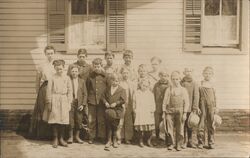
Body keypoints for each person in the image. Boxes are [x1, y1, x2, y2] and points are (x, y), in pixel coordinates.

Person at [29, 45, 56, 139]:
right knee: (42, 109)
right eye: (48, 53)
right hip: (44, 88)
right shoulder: (41, 65)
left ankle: (52, 134)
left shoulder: (57, 64)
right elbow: (38, 80)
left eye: (52, 53)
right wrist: (38, 91)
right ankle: (42, 134)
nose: (50, 55)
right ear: (45, 54)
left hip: (54, 88)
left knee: (52, 109)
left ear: (54, 53)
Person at [46, 59, 73, 148]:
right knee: (55, 118)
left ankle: (61, 138)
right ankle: (55, 138)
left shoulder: (67, 78)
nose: (59, 71)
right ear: (55, 69)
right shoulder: (52, 77)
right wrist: (49, 102)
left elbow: (70, 91)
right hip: (55, 99)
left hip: (64, 99)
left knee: (63, 119)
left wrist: (69, 102)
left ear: (64, 68)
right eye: (57, 69)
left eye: (61, 69)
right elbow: (49, 91)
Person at [162, 71, 189, 151]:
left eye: (177, 79)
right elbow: (164, 102)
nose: (175, 81)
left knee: (180, 128)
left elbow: (187, 102)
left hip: (180, 111)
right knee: (169, 128)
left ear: (179, 79)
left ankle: (178, 144)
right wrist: (164, 112)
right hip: (169, 111)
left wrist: (184, 113)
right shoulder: (168, 89)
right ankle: (171, 144)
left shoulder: (183, 90)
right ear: (171, 79)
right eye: (173, 79)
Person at [102, 74, 126, 151]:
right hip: (109, 109)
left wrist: (116, 103)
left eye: (116, 81)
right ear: (111, 81)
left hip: (117, 110)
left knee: (115, 125)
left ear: (119, 81)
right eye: (113, 80)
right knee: (109, 125)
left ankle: (114, 140)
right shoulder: (107, 88)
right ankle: (109, 140)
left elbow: (123, 100)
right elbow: (102, 96)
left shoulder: (122, 89)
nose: (115, 82)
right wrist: (105, 102)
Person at [86, 58, 108, 144]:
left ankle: (101, 136)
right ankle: (91, 136)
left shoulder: (105, 76)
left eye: (98, 66)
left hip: (102, 102)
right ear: (93, 66)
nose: (97, 68)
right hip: (92, 101)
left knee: (101, 120)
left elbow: (107, 89)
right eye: (95, 66)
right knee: (91, 120)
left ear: (101, 66)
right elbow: (87, 88)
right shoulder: (90, 76)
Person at [197, 66, 218, 149]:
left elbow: (216, 97)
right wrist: (197, 107)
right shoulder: (200, 83)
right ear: (203, 74)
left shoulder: (213, 84)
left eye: (209, 73)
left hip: (211, 106)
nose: (207, 75)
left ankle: (211, 142)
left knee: (211, 123)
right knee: (201, 124)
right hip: (202, 105)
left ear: (212, 74)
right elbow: (197, 96)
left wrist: (216, 107)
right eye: (206, 73)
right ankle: (200, 142)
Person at [67, 65, 88, 144]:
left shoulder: (82, 81)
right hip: (71, 102)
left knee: (79, 119)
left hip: (79, 103)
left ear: (78, 72)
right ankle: (70, 137)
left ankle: (77, 136)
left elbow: (85, 94)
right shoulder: (68, 80)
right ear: (70, 72)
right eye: (73, 71)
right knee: (70, 119)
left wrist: (83, 104)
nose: (74, 73)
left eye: (76, 71)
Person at [180, 68, 200, 148]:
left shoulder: (194, 83)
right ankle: (184, 141)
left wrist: (194, 108)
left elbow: (196, 96)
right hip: (182, 107)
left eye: (190, 71)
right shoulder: (181, 83)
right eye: (187, 71)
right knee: (183, 125)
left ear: (192, 72)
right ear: (184, 72)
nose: (188, 73)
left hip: (190, 107)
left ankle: (190, 141)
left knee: (190, 125)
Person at [134, 79, 155, 147]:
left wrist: (152, 110)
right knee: (140, 128)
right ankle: (141, 141)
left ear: (148, 86)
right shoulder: (137, 93)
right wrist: (134, 109)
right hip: (140, 111)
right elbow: (134, 102)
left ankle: (148, 140)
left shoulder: (150, 94)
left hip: (148, 112)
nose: (145, 87)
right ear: (140, 85)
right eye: (143, 85)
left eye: (146, 86)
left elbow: (153, 103)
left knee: (149, 128)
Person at [118, 67, 136, 144]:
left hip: (130, 104)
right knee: (120, 121)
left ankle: (128, 138)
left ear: (129, 74)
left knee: (129, 121)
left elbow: (134, 95)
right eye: (124, 73)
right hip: (121, 104)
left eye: (127, 73)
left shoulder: (132, 83)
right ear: (121, 74)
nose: (125, 75)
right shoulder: (119, 83)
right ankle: (119, 137)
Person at [152, 68, 170, 140]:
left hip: (166, 107)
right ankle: (157, 137)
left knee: (167, 122)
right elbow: (153, 95)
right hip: (157, 107)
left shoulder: (169, 85)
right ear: (159, 76)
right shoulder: (156, 85)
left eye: (165, 75)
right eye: (162, 75)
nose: (163, 77)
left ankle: (167, 138)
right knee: (157, 123)